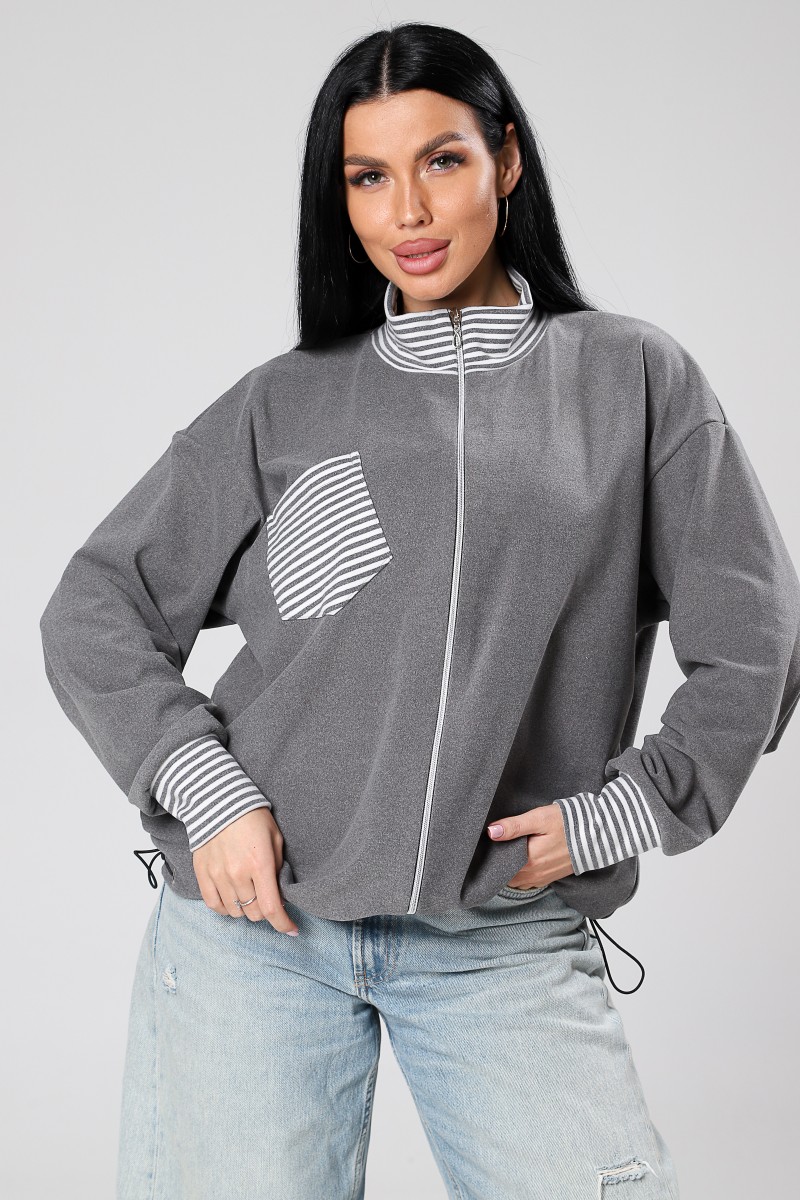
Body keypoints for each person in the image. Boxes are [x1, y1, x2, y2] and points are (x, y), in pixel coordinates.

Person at [38, 21, 800, 1200]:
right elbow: (95, 606)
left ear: (505, 159)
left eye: (440, 160)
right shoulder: (286, 402)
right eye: (367, 176)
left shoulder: (630, 380)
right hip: (257, 936)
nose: (407, 210)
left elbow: (755, 636)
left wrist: (627, 810)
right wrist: (207, 790)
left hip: (500, 933)